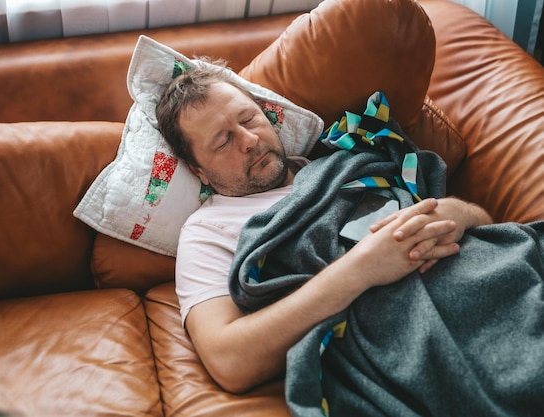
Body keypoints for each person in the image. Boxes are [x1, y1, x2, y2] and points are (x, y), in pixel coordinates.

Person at [155, 60, 493, 394]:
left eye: (249, 118)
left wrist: (457, 212)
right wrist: (364, 267)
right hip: (415, 335)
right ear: (197, 170)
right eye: (223, 140)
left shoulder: (342, 163)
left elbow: (487, 225)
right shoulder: (207, 231)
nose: (248, 140)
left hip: (484, 272)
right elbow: (228, 360)